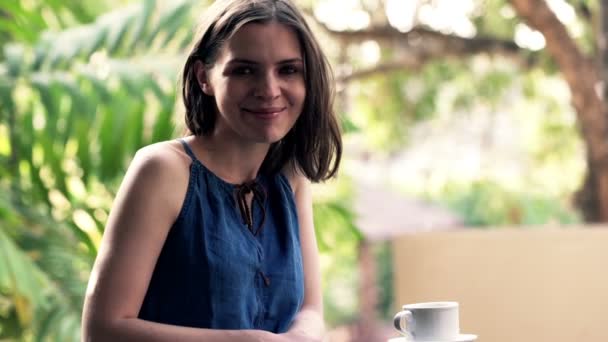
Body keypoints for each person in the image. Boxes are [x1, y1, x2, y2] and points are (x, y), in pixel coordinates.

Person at [81, 0, 342, 341]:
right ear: (204, 77)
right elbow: (103, 330)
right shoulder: (162, 172)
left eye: (288, 70)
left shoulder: (290, 177)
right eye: (244, 70)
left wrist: (300, 337)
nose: (269, 89)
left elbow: (310, 309)